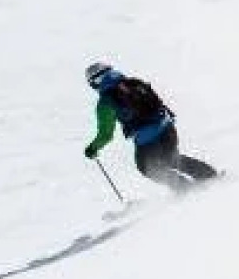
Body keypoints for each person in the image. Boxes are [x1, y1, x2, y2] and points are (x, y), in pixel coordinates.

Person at [82, 63, 219, 192]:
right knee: (171, 159)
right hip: (167, 129)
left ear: (96, 82)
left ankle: (184, 188)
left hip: (148, 140)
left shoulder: (105, 103)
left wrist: (93, 148)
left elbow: (106, 134)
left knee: (147, 168)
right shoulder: (134, 82)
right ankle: (209, 175)